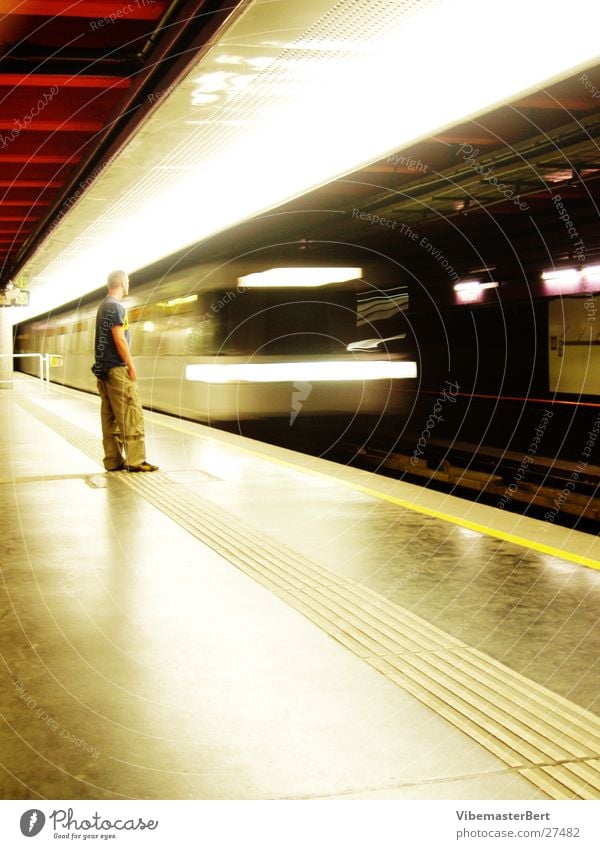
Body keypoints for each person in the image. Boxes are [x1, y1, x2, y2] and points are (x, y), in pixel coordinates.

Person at [91, 269, 158, 473]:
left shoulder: (103, 306)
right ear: (122, 283)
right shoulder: (116, 307)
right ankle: (136, 460)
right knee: (131, 412)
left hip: (103, 370)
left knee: (110, 416)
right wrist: (130, 364)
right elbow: (119, 338)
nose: (129, 285)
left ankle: (113, 459)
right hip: (117, 370)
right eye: (127, 281)